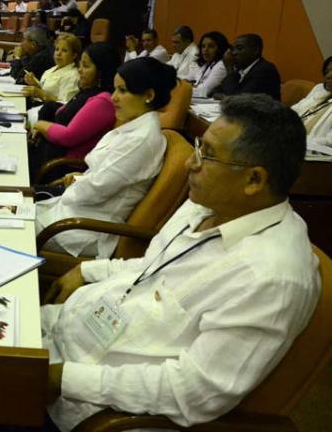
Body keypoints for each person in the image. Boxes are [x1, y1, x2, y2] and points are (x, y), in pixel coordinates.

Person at [42, 94, 319, 432]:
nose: (190, 162)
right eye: (198, 146)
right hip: (66, 332)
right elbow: (151, 266)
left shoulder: (270, 277)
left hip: (86, 404)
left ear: (254, 180)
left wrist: (64, 379)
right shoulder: (206, 205)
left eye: (207, 154)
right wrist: (87, 270)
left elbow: (194, 392)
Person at [35, 58, 176, 257]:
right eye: (115, 89)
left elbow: (95, 189)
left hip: (84, 228)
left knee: (7, 224)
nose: (113, 97)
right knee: (10, 211)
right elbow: (103, 177)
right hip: (76, 212)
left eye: (123, 91)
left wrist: (75, 183)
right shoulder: (133, 127)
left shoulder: (141, 140)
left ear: (148, 95)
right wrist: (81, 179)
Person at [30, 42, 120, 179]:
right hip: (51, 153)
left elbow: (68, 137)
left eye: (86, 66)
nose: (80, 70)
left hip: (63, 167)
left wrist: (40, 124)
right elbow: (62, 111)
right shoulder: (88, 91)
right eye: (80, 65)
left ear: (102, 70)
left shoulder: (103, 101)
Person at [23, 33, 82, 126]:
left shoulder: (73, 75)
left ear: (74, 55)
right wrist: (35, 84)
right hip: (36, 108)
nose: (58, 53)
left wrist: (40, 94)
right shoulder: (52, 69)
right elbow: (47, 89)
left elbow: (64, 105)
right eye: (57, 49)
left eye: (64, 50)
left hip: (49, 118)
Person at [213, 34, 282, 101]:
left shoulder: (265, 70)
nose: (234, 53)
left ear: (255, 51)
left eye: (239, 48)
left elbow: (238, 100)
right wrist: (225, 96)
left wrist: (229, 68)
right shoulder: (240, 70)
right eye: (233, 49)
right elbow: (215, 90)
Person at [291, 55, 332, 147]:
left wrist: (299, 141)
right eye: (326, 72)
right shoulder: (320, 90)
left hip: (315, 151)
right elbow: (292, 111)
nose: (328, 76)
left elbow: (329, 141)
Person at [189, 31, 230, 98]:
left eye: (211, 46)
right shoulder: (206, 64)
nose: (206, 49)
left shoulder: (221, 65)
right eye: (203, 46)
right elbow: (187, 79)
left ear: (220, 48)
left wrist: (189, 87)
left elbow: (204, 91)